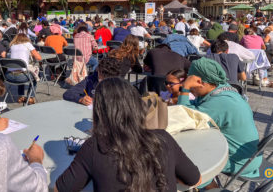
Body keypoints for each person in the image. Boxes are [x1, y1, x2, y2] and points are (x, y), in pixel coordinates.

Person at [57, 77, 201, 191]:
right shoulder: (163, 138)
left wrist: (37, 160)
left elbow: (61, 189)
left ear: (99, 112)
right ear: (137, 106)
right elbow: (195, 179)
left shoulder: (94, 147)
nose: (167, 85)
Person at [177, 58, 261, 188]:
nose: (191, 91)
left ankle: (212, 188)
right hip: (252, 157)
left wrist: (185, 88)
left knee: (186, 167)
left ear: (200, 82)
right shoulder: (224, 90)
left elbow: (183, 117)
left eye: (191, 84)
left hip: (241, 163)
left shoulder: (219, 103)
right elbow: (197, 104)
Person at [7, 34, 42, 104]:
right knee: (35, 75)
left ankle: (20, 96)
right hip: (21, 77)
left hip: (8, 76)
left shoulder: (12, 45)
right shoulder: (27, 44)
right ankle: (30, 97)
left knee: (21, 70)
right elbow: (39, 58)